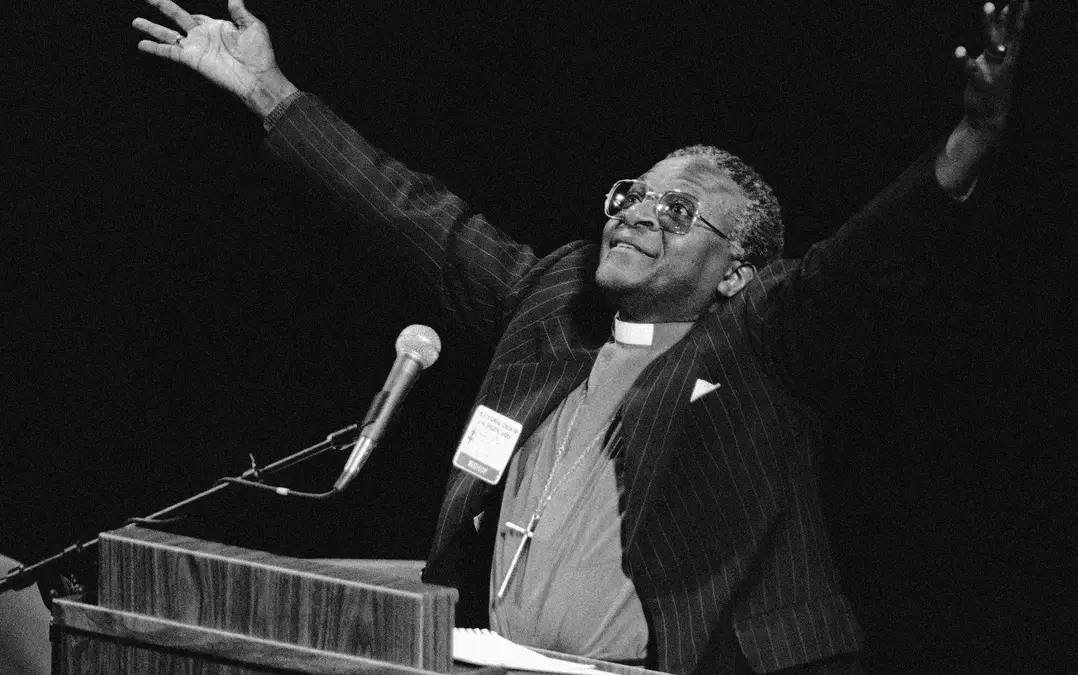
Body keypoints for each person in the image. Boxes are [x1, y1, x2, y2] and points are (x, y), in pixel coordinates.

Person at [132, 1, 1028, 673]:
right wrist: (269, 91)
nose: (638, 212)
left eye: (679, 211)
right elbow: (410, 211)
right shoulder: (552, 302)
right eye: (633, 194)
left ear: (738, 271)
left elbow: (866, 259)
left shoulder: (760, 341)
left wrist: (972, 138)